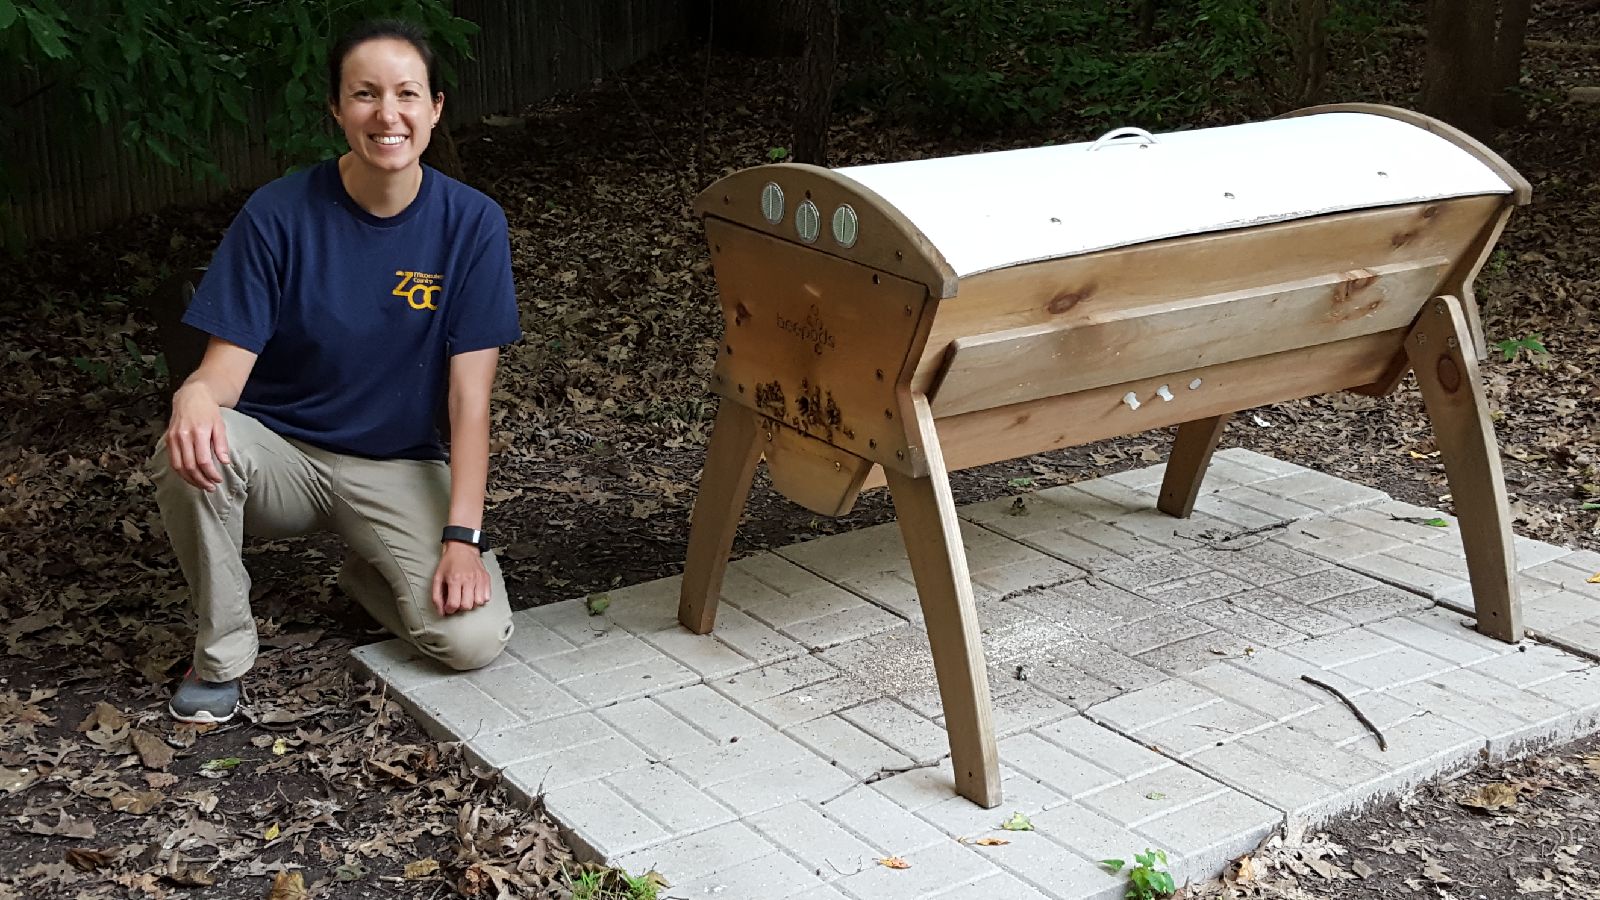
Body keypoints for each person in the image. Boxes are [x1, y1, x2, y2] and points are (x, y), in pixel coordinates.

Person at [151, 19, 519, 723]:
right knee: (191, 445)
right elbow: (222, 374)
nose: (388, 114)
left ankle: (370, 574)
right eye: (365, 94)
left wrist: (462, 542)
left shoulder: (471, 224)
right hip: (282, 455)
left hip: (399, 462)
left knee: (470, 640)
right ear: (337, 109)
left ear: (436, 108)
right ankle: (221, 653)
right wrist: (194, 396)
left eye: (407, 94)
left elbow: (471, 402)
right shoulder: (279, 214)